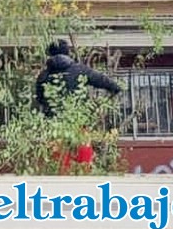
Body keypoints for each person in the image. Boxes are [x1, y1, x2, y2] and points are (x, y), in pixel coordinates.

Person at [35, 39, 122, 173]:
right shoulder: (79, 69)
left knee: (59, 163)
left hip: (55, 125)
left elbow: (40, 99)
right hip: (78, 122)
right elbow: (100, 79)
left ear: (50, 54)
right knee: (84, 160)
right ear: (67, 52)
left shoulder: (44, 75)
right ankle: (84, 187)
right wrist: (115, 88)